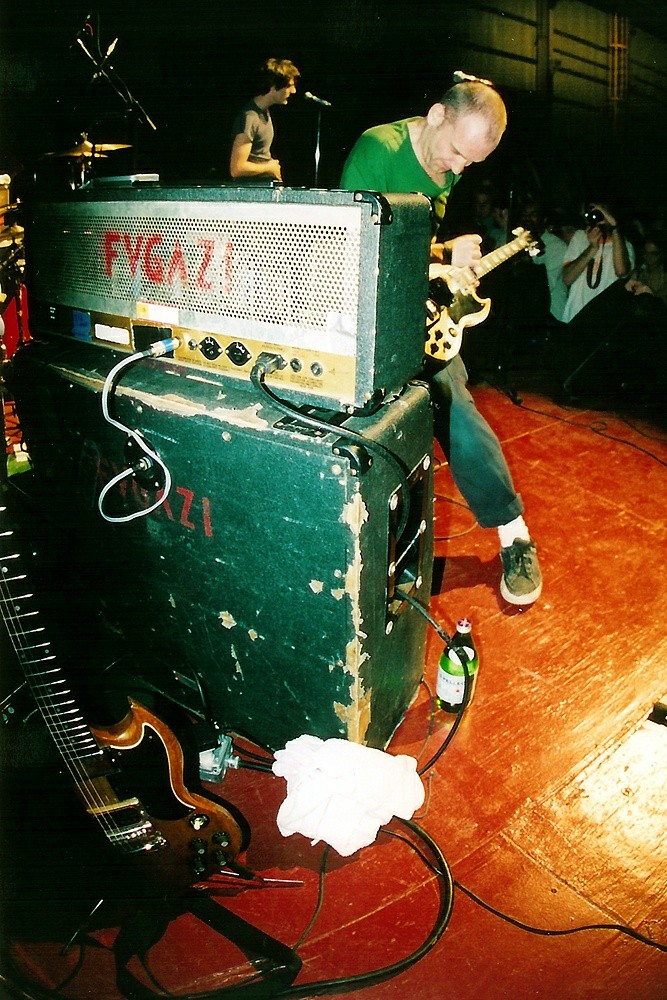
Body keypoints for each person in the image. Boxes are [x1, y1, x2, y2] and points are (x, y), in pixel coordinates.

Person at [341, 74, 542, 606]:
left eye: (470, 164)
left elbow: (415, 243)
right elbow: (354, 249)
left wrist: (445, 258)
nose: (456, 169)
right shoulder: (379, 150)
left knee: (455, 404)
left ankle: (514, 533)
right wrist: (438, 259)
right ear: (435, 115)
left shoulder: (447, 165)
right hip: (367, 315)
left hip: (416, 310)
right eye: (456, 153)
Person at [561, 201, 634, 324]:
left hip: (603, 321)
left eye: (603, 211)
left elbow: (621, 272)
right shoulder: (579, 237)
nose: (599, 217)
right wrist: (592, 248)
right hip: (575, 316)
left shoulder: (624, 245)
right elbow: (567, 278)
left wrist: (615, 228)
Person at [229, 58, 300, 182]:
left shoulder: (264, 112)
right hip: (252, 189)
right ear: (274, 86)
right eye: (289, 86)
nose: (293, 91)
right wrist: (269, 167)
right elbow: (237, 168)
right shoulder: (250, 117)